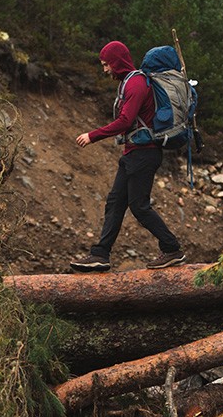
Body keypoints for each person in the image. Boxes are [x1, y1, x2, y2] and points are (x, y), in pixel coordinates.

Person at [70, 40, 186, 273]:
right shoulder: (129, 82)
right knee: (115, 202)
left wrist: (92, 136)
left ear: (117, 62)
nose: (105, 70)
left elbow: (125, 121)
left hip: (144, 155)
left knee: (139, 206)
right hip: (133, 154)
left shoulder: (136, 84)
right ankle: (100, 255)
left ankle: (172, 249)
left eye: (106, 65)